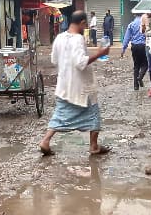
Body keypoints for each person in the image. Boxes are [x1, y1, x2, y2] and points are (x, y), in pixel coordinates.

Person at [38, 10, 110, 156]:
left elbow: (54, 60)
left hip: (64, 85)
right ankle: (94, 146)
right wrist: (100, 54)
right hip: (81, 86)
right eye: (86, 24)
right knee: (94, 113)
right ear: (82, 23)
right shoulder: (78, 39)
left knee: (60, 114)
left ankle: (45, 141)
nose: (86, 27)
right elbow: (80, 62)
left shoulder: (59, 37)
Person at [120, 13, 149, 90]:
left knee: (136, 66)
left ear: (135, 15)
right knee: (145, 64)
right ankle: (140, 76)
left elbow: (126, 37)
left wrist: (123, 49)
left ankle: (136, 85)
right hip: (143, 46)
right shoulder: (146, 23)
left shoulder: (131, 24)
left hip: (134, 46)